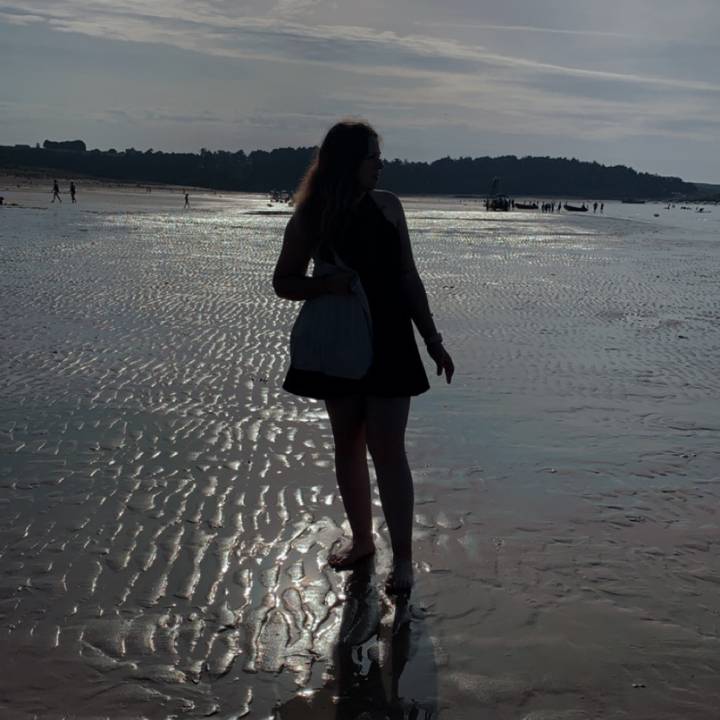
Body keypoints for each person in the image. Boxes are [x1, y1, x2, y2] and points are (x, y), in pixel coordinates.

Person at [272, 120, 454, 596]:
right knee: (348, 444)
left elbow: (408, 276)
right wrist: (325, 286)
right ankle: (362, 541)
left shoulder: (388, 206)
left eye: (379, 156)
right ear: (348, 161)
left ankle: (405, 560)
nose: (380, 164)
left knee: (389, 450)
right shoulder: (311, 216)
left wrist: (432, 339)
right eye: (373, 156)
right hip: (341, 341)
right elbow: (283, 282)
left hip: (392, 340)